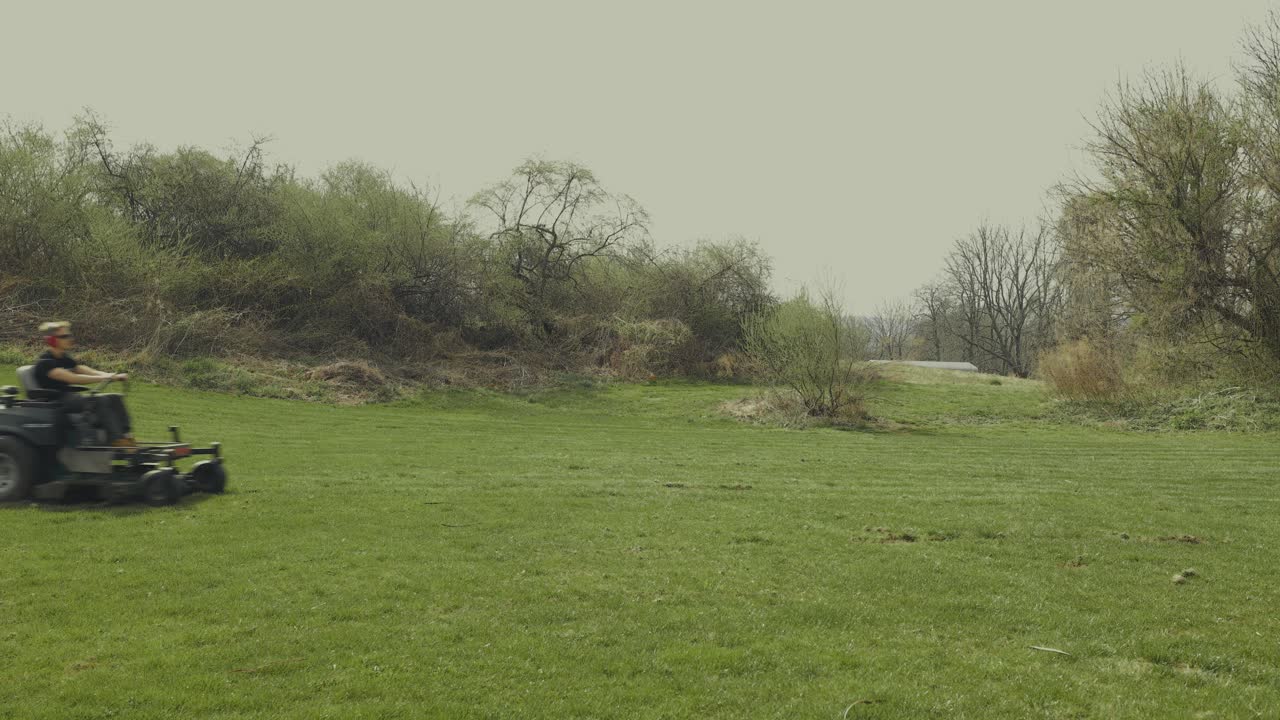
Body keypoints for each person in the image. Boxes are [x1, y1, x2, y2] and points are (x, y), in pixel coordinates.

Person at [33, 321, 136, 447]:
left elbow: (82, 369)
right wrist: (106, 378)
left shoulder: (63, 357)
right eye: (64, 336)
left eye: (69, 335)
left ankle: (126, 435)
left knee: (115, 398)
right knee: (98, 401)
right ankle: (116, 439)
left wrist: (110, 375)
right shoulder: (45, 362)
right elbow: (73, 378)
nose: (70, 339)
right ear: (51, 340)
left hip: (69, 398)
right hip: (57, 401)